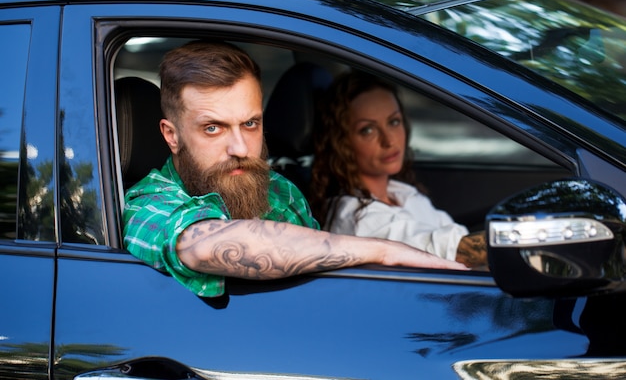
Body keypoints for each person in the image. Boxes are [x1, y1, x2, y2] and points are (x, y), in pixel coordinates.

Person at [123, 41, 466, 298]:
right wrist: (383, 249)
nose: (241, 148)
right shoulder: (147, 205)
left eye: (250, 123)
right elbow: (204, 244)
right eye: (213, 128)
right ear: (172, 135)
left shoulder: (280, 191)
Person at [310, 70, 487, 268]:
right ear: (341, 143)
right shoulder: (355, 218)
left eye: (394, 122)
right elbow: (446, 250)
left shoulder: (403, 193)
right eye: (367, 130)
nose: (389, 140)